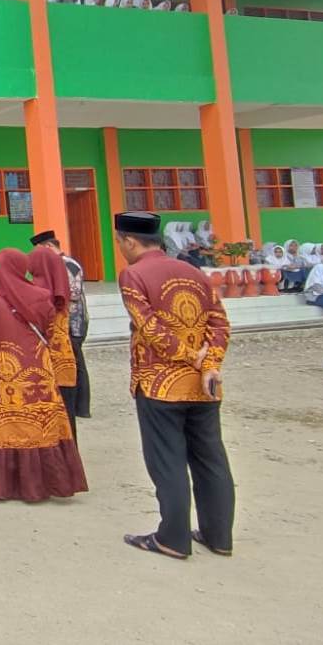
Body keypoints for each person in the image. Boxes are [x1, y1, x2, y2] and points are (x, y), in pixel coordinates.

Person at [115, 211, 234, 559]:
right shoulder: (193, 271)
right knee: (211, 459)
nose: (120, 248)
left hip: (160, 384)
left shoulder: (133, 274)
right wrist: (208, 364)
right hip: (204, 385)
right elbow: (220, 323)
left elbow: (149, 326)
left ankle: (173, 538)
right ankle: (218, 536)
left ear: (130, 241)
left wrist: (190, 357)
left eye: (119, 242)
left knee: (168, 461)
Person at [0, 249, 87, 503]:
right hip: (40, 368)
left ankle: (1, 485)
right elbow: (51, 331)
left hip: (7, 370)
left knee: (5, 426)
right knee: (42, 423)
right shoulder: (43, 295)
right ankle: (48, 483)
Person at [31, 231, 93, 419]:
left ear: (49, 247)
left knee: (76, 363)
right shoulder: (56, 264)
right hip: (61, 322)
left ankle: (81, 406)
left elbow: (73, 292)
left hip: (73, 322)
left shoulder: (69, 264)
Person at [28, 245, 80, 434]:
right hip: (65, 358)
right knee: (67, 415)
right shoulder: (61, 288)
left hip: (45, 362)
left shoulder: (35, 292)